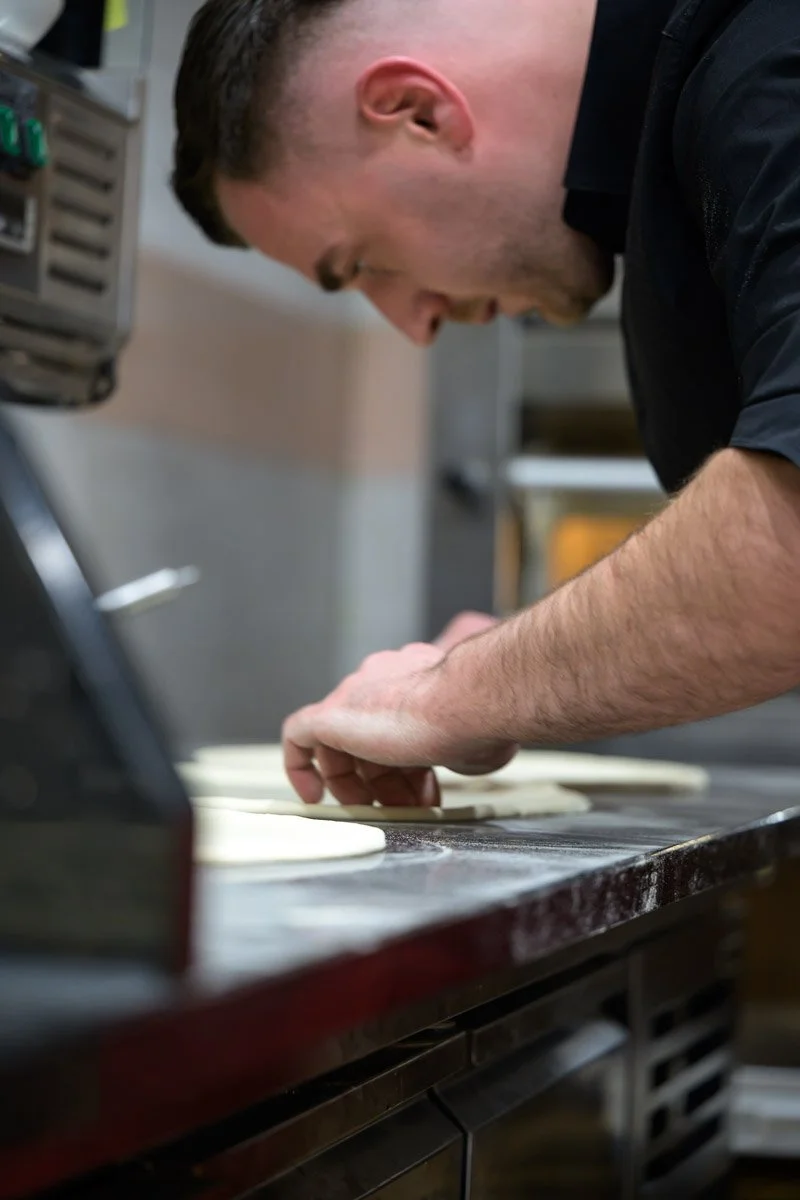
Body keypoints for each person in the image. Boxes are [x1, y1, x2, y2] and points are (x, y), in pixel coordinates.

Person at [172, 0, 800, 808]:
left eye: (362, 262)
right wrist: (526, 651)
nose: (413, 324)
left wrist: (451, 693)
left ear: (418, 111)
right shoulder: (689, 128)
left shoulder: (767, 61)